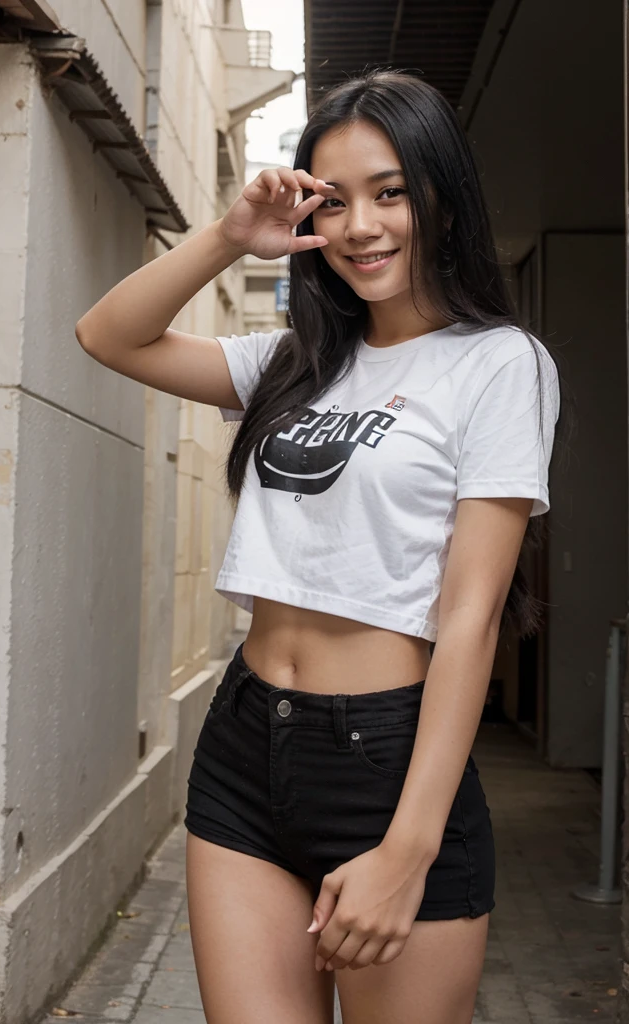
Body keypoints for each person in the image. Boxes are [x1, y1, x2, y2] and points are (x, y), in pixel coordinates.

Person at [76, 69, 560, 1024]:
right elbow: (109, 334)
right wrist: (226, 236)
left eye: (391, 193)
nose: (362, 227)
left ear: (444, 201)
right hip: (247, 741)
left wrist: (409, 848)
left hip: (388, 758)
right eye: (334, 203)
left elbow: (469, 618)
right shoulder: (292, 359)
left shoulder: (500, 364)